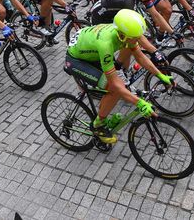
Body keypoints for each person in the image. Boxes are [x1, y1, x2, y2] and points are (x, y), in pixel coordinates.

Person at [66, 9, 173, 143]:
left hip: (90, 49)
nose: (139, 39)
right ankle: (98, 125)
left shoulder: (125, 34)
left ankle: (102, 112)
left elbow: (140, 56)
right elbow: (115, 84)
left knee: (117, 85)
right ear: (122, 35)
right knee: (114, 89)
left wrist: (160, 75)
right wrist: (139, 102)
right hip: (76, 60)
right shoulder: (106, 44)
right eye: (135, 37)